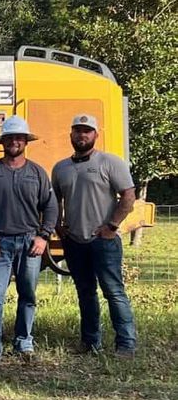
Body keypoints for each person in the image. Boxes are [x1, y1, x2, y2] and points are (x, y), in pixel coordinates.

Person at [0, 115, 58, 368]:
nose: (14, 142)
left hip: (30, 243)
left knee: (27, 295)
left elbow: (51, 207)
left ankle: (24, 342)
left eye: (19, 138)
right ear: (3, 142)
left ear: (25, 142)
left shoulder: (37, 173)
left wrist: (44, 236)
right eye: (10, 138)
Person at [51, 113, 137, 357]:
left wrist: (111, 226)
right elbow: (54, 199)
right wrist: (58, 225)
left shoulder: (110, 162)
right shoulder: (61, 168)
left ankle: (126, 343)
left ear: (95, 135)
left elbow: (128, 196)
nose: (82, 135)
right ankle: (90, 343)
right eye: (77, 130)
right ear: (71, 135)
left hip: (103, 241)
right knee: (85, 292)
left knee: (113, 291)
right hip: (75, 241)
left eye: (87, 131)